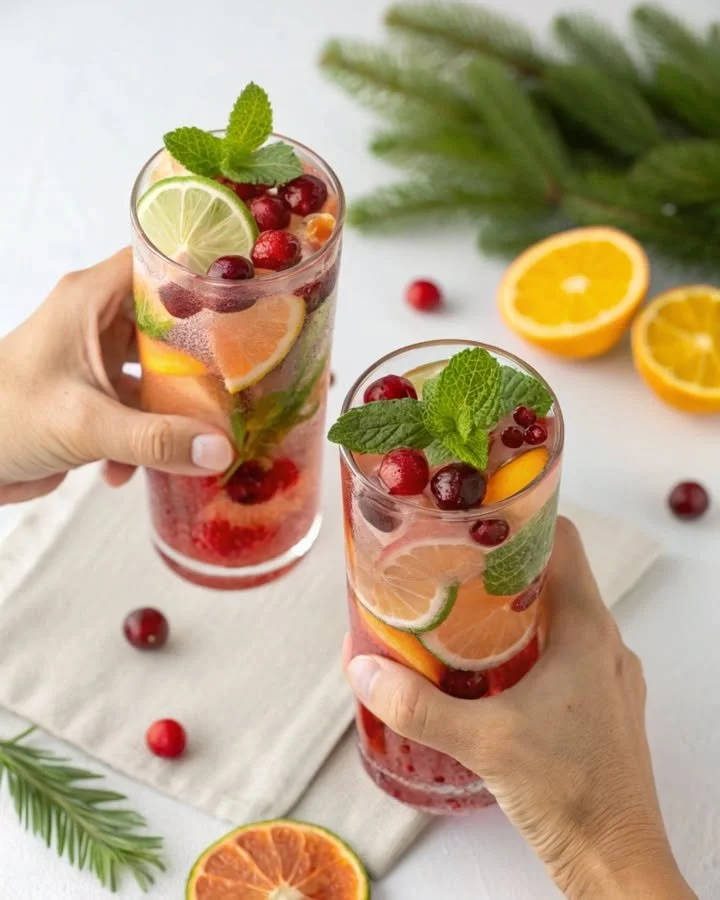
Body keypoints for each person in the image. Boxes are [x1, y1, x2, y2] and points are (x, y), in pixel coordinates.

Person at [0, 251, 696, 899]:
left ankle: (447, 765)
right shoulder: (376, 462)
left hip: (494, 692)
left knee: (495, 598)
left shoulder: (519, 484)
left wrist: (603, 845)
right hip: (386, 714)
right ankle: (395, 758)